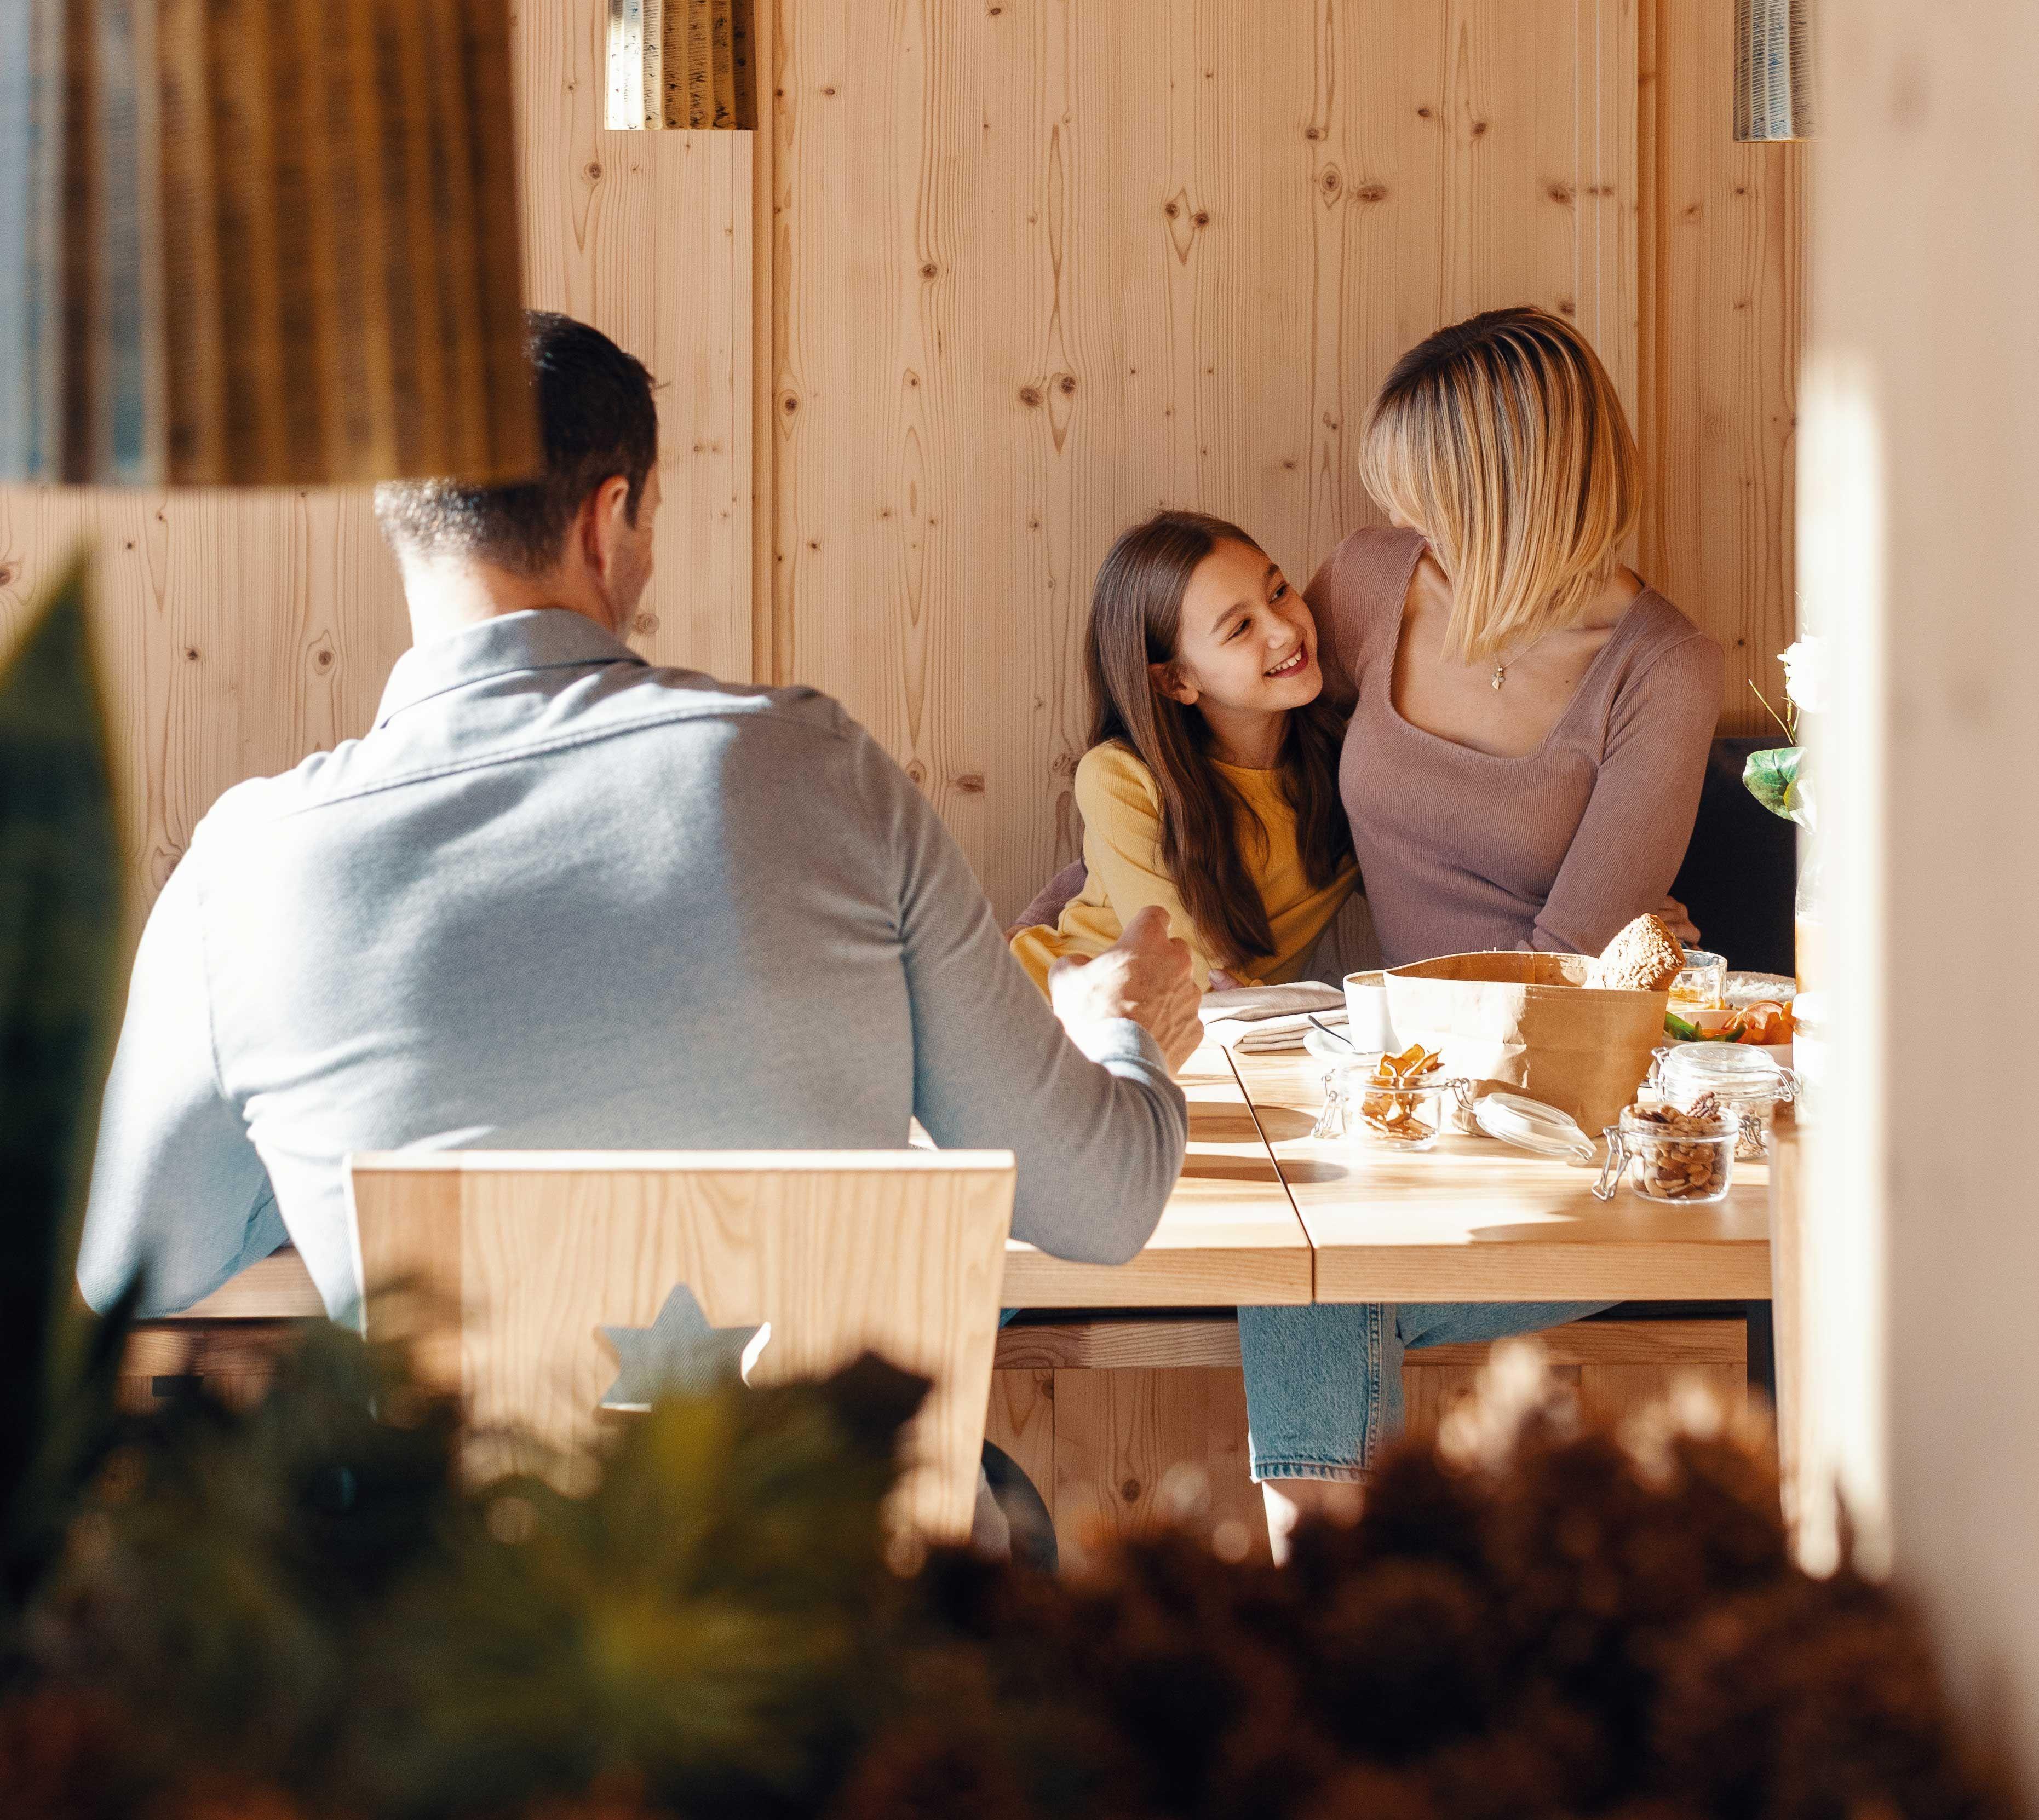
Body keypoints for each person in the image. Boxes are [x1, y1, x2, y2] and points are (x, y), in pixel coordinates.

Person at [78, 313, 1199, 1348]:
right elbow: (1095, 1201)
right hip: (836, 1559)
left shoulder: (248, 865)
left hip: (469, 1563)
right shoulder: (819, 773)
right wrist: (1119, 1026)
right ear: (607, 517)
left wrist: (320, 1149)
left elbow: (129, 1265)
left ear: (406, 531)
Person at [1242, 305, 1725, 1548]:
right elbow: (1236, 766)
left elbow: (1565, 984)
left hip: (1570, 1142)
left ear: (1506, 494)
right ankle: (1345, 1600)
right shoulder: (1368, 583)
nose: (1404, 522)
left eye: (1425, 495)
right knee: (1302, 1260)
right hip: (1393, 1116)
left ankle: (1326, 1596)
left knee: (1303, 1273)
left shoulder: (1656, 670)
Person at [1009, 510, 1368, 997]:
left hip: (1211, 1036)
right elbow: (1185, 974)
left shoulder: (1353, 768)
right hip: (1045, 1011)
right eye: (1241, 627)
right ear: (1177, 680)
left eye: (1279, 592)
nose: (1283, 630)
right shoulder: (1121, 777)